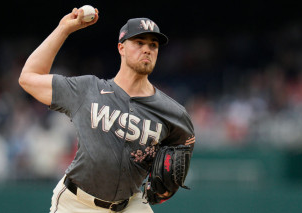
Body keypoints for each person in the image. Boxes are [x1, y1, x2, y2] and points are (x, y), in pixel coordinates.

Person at [19, 6, 195, 213]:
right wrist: (63, 30)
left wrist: (167, 184)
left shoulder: (173, 113)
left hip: (130, 204)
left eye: (153, 45)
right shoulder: (88, 90)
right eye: (139, 42)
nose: (147, 49)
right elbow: (28, 78)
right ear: (121, 48)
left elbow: (183, 150)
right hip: (77, 204)